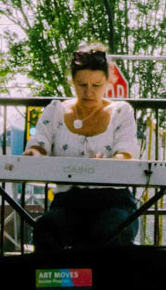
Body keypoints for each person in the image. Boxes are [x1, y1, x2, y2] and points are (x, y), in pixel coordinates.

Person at [27, 43, 143, 252]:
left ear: (109, 82)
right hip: (68, 203)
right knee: (45, 229)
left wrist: (108, 165)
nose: (88, 92)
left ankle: (103, 285)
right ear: (72, 82)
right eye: (82, 85)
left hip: (114, 202)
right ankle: (58, 284)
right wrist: (33, 154)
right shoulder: (56, 110)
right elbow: (38, 143)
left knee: (109, 233)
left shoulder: (121, 112)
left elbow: (126, 152)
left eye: (96, 85)